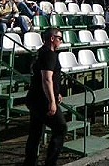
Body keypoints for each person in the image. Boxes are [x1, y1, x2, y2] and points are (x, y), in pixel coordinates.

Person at [24, 28, 67, 166]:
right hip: (42, 100)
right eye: (59, 38)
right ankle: (50, 163)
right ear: (52, 38)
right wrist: (52, 101)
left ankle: (29, 162)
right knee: (60, 128)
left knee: (35, 131)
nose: (61, 41)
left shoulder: (40, 52)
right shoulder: (49, 54)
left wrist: (56, 92)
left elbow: (47, 78)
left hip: (34, 97)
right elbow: (46, 79)